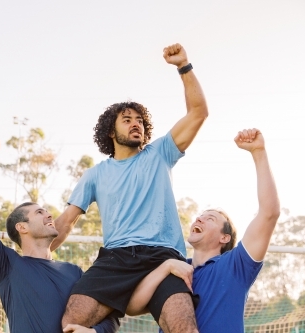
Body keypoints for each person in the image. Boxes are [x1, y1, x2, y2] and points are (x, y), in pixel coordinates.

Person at [51, 43, 208, 333]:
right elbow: (66, 222)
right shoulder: (96, 175)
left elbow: (198, 112)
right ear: (111, 132)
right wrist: (36, 252)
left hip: (165, 256)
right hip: (116, 259)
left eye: (139, 121)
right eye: (127, 120)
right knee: (71, 323)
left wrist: (183, 66)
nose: (136, 125)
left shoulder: (160, 153)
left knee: (185, 328)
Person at [0, 137, 119, 333]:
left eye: (46, 210)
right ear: (22, 227)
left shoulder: (74, 272)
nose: (49, 214)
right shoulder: (6, 265)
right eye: (39, 212)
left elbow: (108, 314)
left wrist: (95, 332)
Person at [126, 128, 280, 333]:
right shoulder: (175, 270)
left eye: (210, 218)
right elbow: (132, 307)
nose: (199, 218)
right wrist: (166, 267)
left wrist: (258, 152)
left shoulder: (236, 265)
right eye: (200, 216)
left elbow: (269, 213)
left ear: (224, 237)